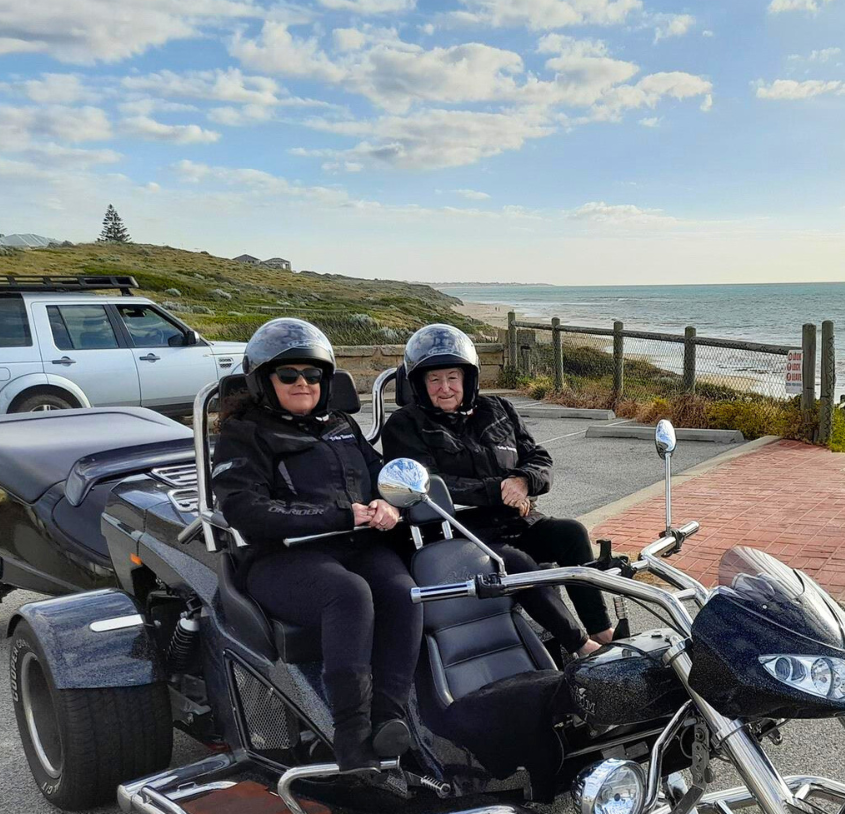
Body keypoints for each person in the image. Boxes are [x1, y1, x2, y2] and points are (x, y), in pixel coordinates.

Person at [212, 318, 422, 770]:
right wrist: (340, 515)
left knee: (405, 590)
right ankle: (352, 738)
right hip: (280, 557)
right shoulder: (243, 433)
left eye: (312, 375)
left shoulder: (341, 425)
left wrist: (389, 506)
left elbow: (382, 476)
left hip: (354, 546)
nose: (302, 383)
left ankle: (390, 719)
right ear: (263, 381)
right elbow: (244, 509)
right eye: (288, 375)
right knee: (348, 594)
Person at [381, 324, 614, 658]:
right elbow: (426, 485)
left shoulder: (499, 409)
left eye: (452, 377)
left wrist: (522, 481)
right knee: (516, 563)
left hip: (519, 520)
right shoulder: (405, 425)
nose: (445, 388)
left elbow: (539, 458)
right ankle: (582, 647)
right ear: (419, 382)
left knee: (572, 533)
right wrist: (499, 491)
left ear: (468, 378)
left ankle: (603, 633)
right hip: (463, 532)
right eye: (434, 379)